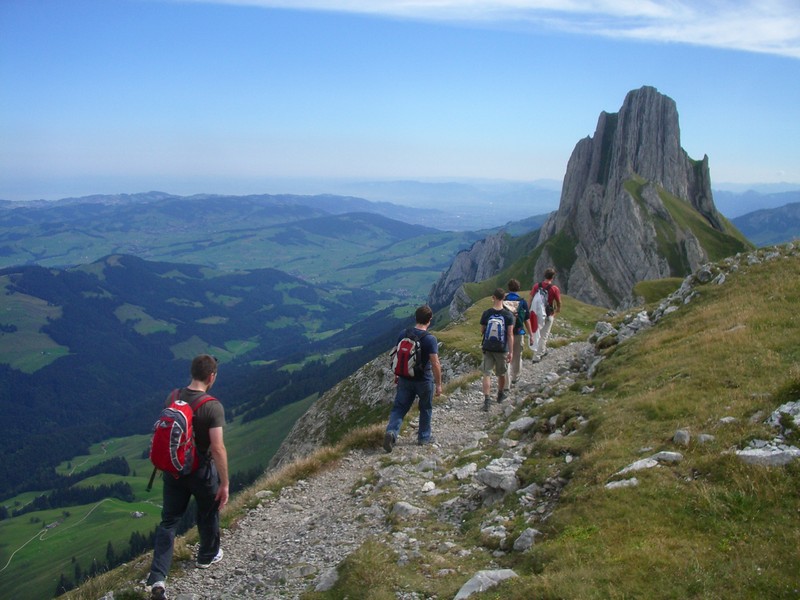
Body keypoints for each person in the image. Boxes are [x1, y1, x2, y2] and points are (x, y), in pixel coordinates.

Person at [146, 354, 229, 600]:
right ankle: (207, 556)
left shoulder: (173, 397)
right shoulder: (212, 406)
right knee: (207, 511)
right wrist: (224, 483)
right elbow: (217, 448)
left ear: (192, 372)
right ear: (211, 376)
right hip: (201, 472)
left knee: (169, 521)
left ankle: (158, 578)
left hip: (173, 472)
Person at [383, 305, 443, 451]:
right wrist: (439, 384)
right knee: (425, 407)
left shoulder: (404, 333)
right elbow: (435, 363)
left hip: (405, 377)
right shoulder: (430, 339)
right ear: (429, 320)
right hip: (423, 380)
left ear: (415, 318)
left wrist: (397, 375)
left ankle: (391, 432)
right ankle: (423, 437)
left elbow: (399, 356)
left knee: (399, 408)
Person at [479, 288, 515, 411]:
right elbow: (510, 334)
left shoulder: (487, 313)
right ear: (504, 298)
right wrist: (511, 352)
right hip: (502, 348)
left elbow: (482, 330)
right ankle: (500, 394)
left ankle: (487, 400)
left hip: (488, 347)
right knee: (501, 373)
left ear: (493, 297)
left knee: (487, 374)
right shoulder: (508, 315)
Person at [503, 279, 532, 389]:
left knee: (506, 356)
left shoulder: (504, 300)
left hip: (506, 333)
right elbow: (527, 319)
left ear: (508, 288)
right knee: (517, 355)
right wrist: (531, 334)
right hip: (519, 331)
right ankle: (515, 376)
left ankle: (506, 383)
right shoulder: (522, 302)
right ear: (518, 288)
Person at [529, 268, 562, 362]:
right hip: (548, 314)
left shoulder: (536, 286)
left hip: (537, 314)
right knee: (544, 335)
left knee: (537, 333)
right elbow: (559, 302)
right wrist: (557, 310)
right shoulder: (554, 289)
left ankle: (542, 350)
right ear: (553, 277)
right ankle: (537, 356)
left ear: (544, 275)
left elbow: (530, 299)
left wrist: (528, 310)